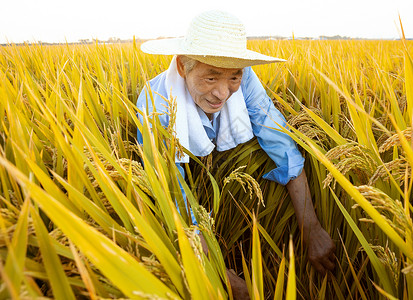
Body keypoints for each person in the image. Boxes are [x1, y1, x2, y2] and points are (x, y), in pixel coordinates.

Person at [137, 10, 335, 297]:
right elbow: (171, 189)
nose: (222, 93)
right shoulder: (155, 105)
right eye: (210, 77)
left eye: (233, 77)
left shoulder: (246, 80)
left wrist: (311, 227)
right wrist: (217, 269)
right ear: (182, 66)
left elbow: (281, 143)